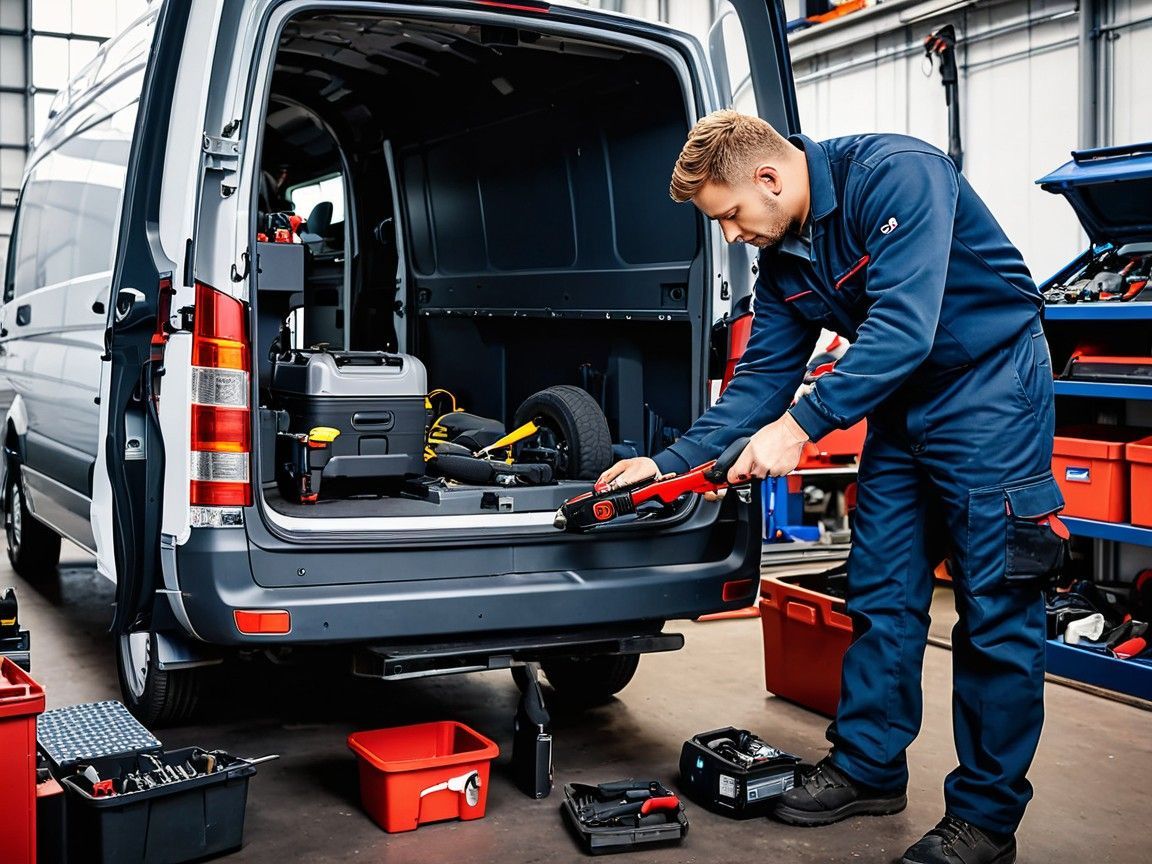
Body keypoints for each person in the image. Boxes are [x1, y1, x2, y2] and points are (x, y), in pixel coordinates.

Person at [598, 110, 1065, 864]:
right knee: (880, 589)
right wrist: (672, 460)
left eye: (729, 216)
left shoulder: (899, 174)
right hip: (901, 404)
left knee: (994, 608)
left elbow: (905, 328)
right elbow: (761, 381)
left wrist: (802, 426)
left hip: (990, 390)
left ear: (771, 179)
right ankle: (869, 767)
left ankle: (984, 819)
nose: (730, 236)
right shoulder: (784, 256)